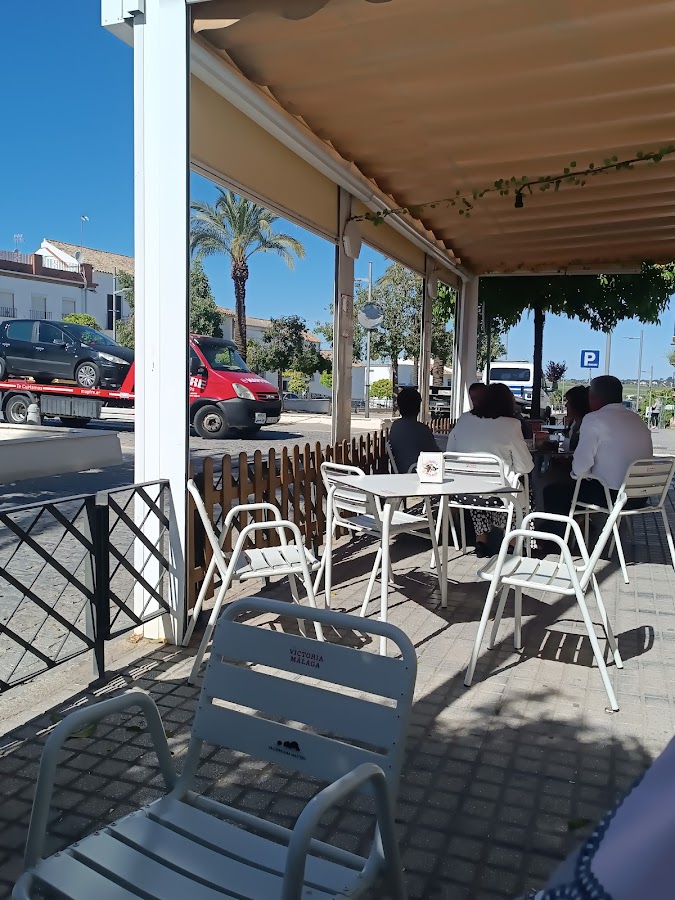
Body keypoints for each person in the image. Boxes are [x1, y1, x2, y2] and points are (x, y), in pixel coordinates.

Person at [543, 375, 653, 523]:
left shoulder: (593, 420)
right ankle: (580, 528)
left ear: (594, 398)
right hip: (641, 496)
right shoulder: (636, 419)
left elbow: (580, 469)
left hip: (612, 496)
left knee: (553, 491)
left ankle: (557, 542)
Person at [446, 382, 534, 556]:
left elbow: (450, 453)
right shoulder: (511, 425)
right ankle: (512, 541)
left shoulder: (464, 420)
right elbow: (526, 466)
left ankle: (481, 540)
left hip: (462, 492)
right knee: (521, 488)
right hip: (498, 495)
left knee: (480, 484)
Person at [387, 387, 439, 474]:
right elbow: (435, 455)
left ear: (399, 407)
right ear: (418, 408)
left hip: (401, 472)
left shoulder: (395, 426)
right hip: (419, 472)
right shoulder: (422, 430)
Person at [564, 385, 591, 451]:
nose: (566, 405)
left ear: (577, 405)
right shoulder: (574, 423)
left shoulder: (587, 428)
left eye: (569, 402)